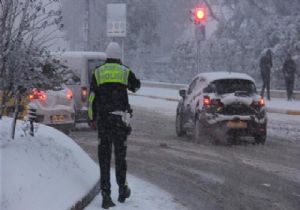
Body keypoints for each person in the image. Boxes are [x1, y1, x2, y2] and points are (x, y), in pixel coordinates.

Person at [88, 42, 141, 209]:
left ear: (106, 55)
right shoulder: (124, 71)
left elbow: (91, 100)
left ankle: (106, 195)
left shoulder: (98, 72)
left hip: (104, 121)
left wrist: (92, 118)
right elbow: (136, 86)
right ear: (119, 56)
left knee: (104, 159)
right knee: (120, 158)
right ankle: (122, 190)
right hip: (120, 121)